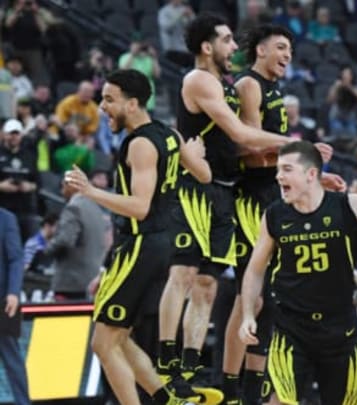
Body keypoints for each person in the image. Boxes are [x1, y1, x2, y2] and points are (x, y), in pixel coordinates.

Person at [155, 13, 314, 394]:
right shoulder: (201, 80)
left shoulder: (225, 84)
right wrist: (299, 150)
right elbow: (241, 135)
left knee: (209, 285)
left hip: (223, 188)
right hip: (198, 188)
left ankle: (193, 374)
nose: (233, 47)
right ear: (207, 46)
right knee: (188, 277)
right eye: (227, 40)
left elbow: (238, 140)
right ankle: (170, 366)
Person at [63, 69, 215, 405]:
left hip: (142, 245)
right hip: (162, 246)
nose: (102, 107)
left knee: (103, 344)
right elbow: (204, 174)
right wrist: (196, 153)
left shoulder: (142, 144)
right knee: (118, 338)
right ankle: (168, 399)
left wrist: (90, 191)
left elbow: (140, 207)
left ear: (132, 104)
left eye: (109, 100)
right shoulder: (170, 135)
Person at [222, 24, 345, 405]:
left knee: (272, 298)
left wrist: (312, 179)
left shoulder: (274, 89)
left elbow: (276, 158)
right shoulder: (250, 85)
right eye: (280, 47)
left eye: (290, 49)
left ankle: (253, 391)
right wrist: (300, 150)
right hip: (250, 195)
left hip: (271, 192)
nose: (287, 54)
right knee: (252, 295)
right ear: (259, 51)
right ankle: (228, 385)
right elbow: (245, 147)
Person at [238, 141, 357, 404]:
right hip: (291, 327)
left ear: (310, 174)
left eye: (287, 169)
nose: (278, 176)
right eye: (278, 170)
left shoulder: (348, 205)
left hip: (339, 328)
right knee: (279, 401)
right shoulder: (274, 216)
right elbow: (253, 271)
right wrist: (248, 314)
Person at [0, 207, 30, 405]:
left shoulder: (6, 219)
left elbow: (16, 258)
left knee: (11, 357)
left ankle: (22, 402)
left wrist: (13, 292)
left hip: (3, 300)